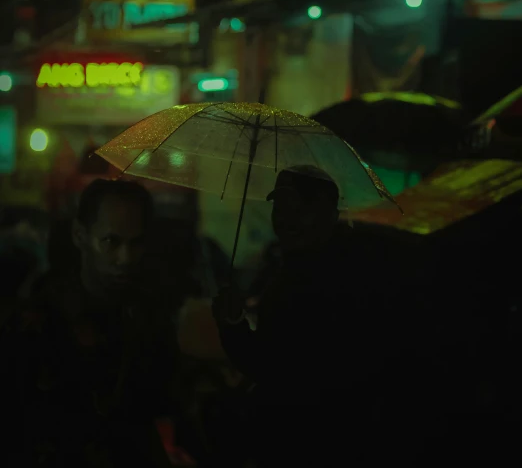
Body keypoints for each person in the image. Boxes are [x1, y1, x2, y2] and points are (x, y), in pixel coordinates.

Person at [2, 179, 193, 467]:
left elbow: (162, 406)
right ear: (80, 235)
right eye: (111, 242)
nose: (125, 258)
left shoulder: (150, 315)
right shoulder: (41, 318)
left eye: (136, 243)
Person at [212, 165, 390, 466]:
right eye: (280, 207)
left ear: (330, 216)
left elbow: (274, 367)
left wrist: (232, 326)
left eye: (301, 208)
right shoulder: (299, 265)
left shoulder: (330, 278)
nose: (285, 218)